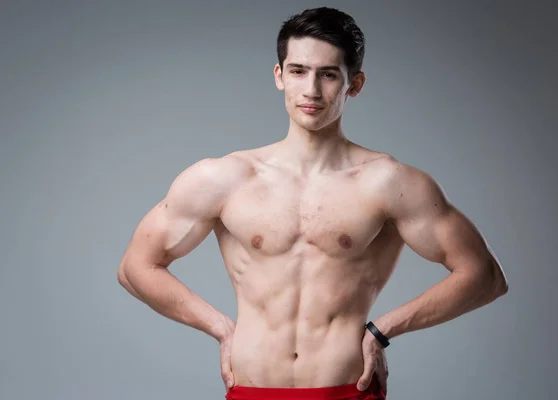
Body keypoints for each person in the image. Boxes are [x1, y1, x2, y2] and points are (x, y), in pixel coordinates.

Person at [117, 6, 509, 400]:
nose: (311, 90)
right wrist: (220, 327)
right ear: (279, 76)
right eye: (298, 71)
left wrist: (383, 330)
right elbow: (136, 267)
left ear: (353, 84)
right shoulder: (225, 177)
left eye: (328, 75)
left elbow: (484, 276)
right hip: (254, 389)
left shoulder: (389, 182)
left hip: (348, 389)